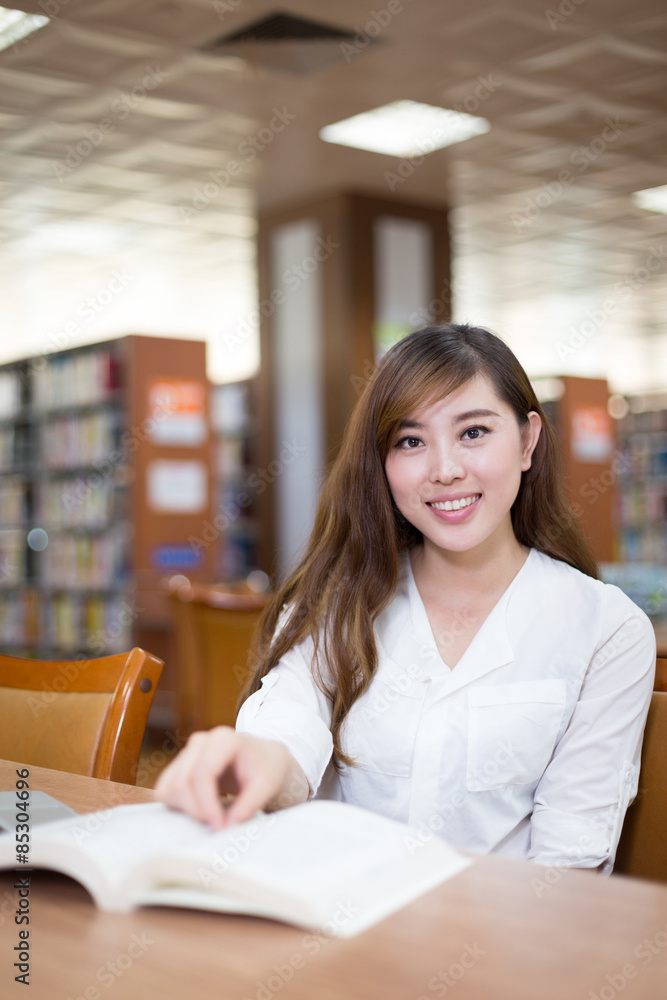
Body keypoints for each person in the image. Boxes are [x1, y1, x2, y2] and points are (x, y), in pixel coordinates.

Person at [156, 323, 655, 872]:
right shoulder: (338, 601)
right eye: (410, 441)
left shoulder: (605, 629)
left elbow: (568, 866)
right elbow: (286, 729)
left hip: (502, 946)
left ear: (528, 441)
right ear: (383, 464)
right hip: (334, 928)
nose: (445, 470)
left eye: (474, 433)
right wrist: (254, 760)